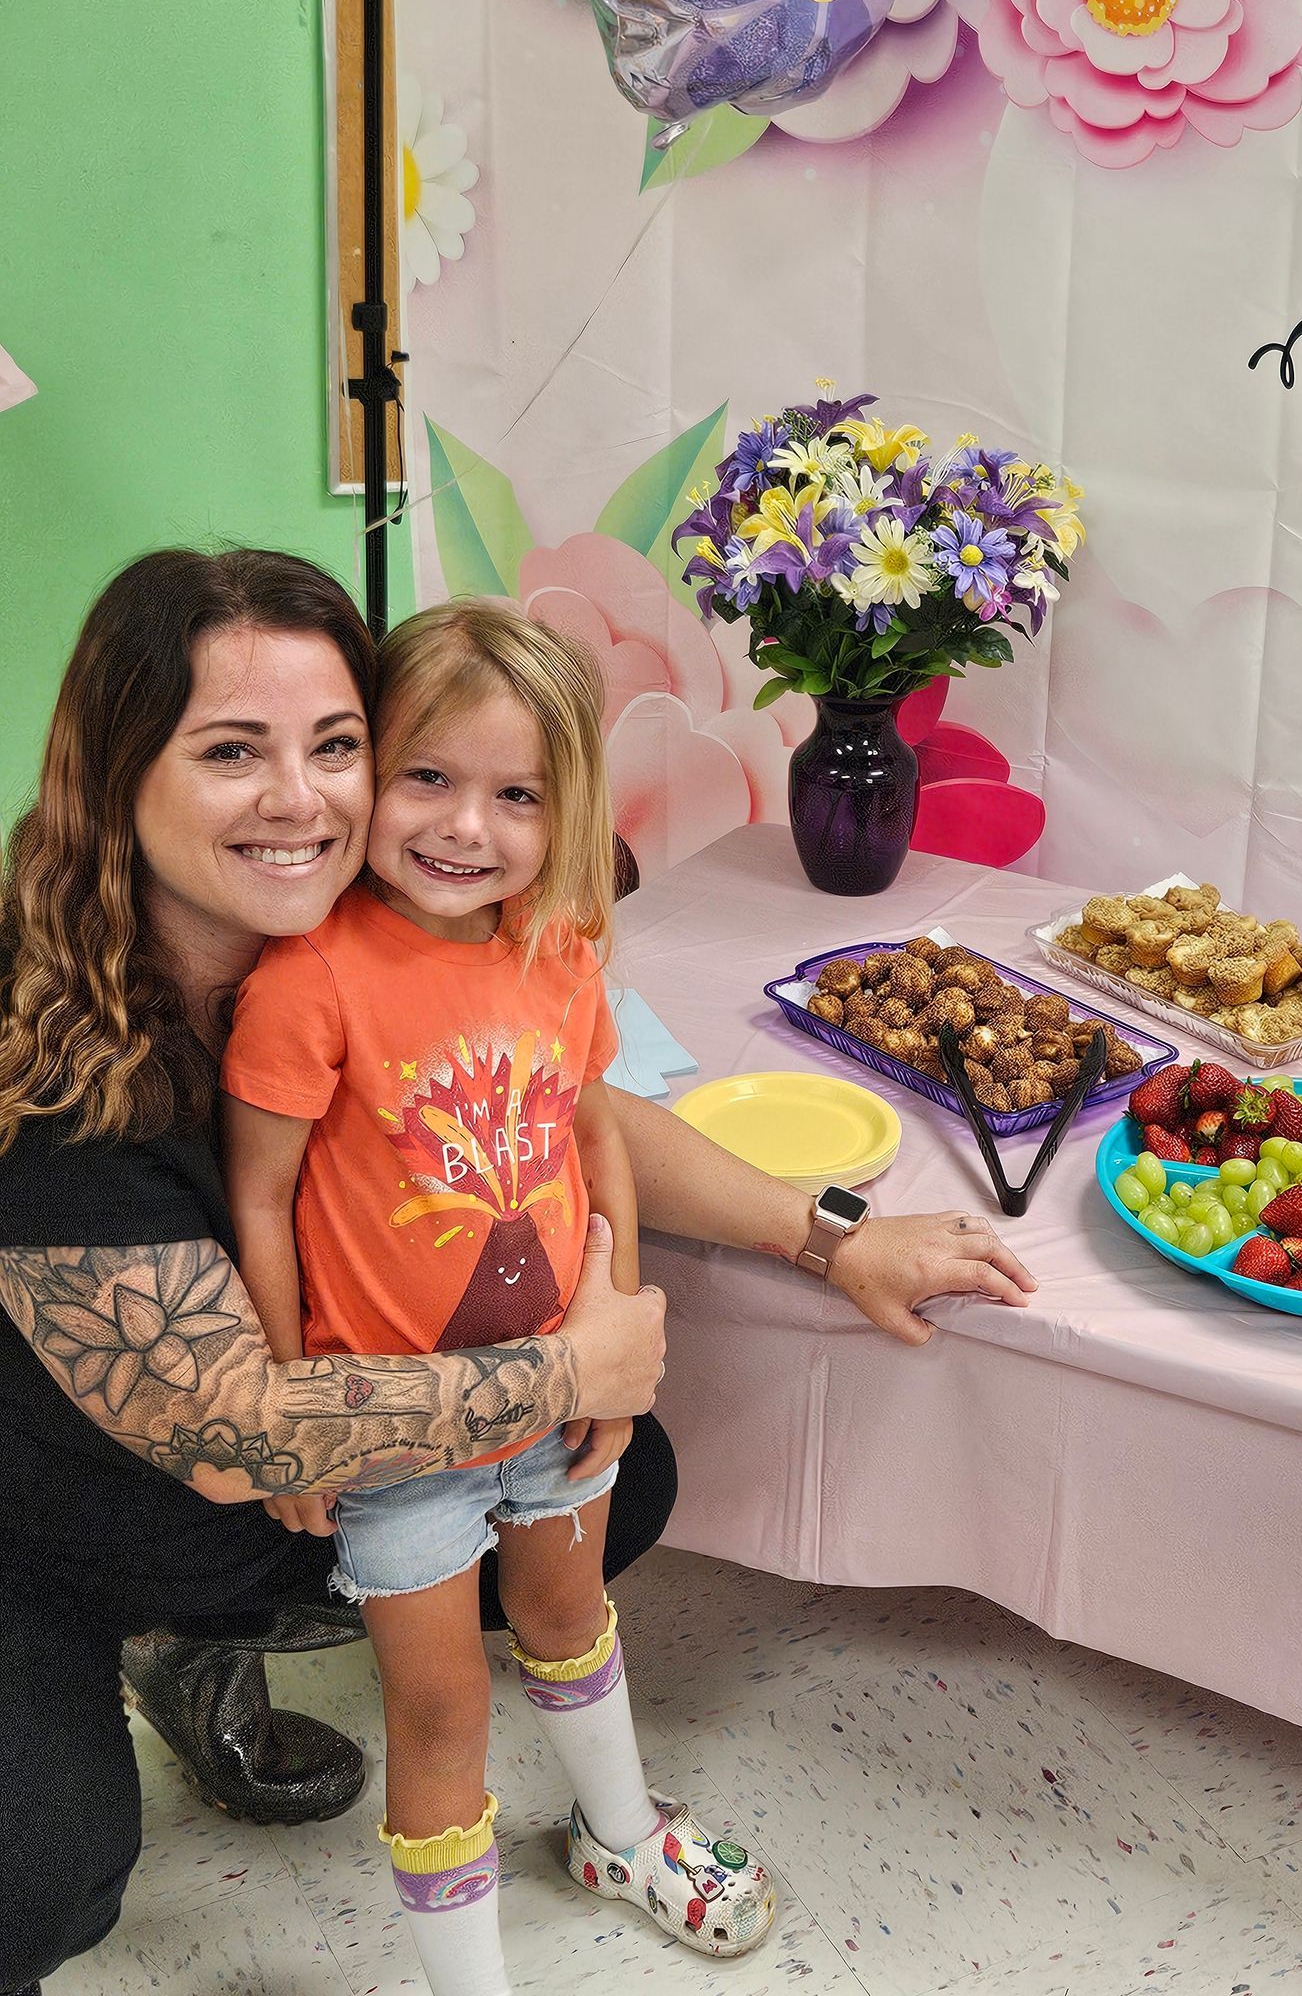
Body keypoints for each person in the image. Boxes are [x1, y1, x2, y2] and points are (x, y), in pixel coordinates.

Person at [0, 546, 1036, 1994]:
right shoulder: (52, 1079)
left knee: (624, 1484)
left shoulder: (372, 931)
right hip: (64, 1514)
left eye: (338, 747)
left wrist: (833, 1232)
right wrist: (568, 1366)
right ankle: (154, 1637)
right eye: (232, 752)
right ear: (118, 773)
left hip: (309, 1446)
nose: (303, 800)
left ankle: (221, 1645)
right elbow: (236, 1437)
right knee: (39, 1886)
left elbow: (555, 1107)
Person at [224, 600, 774, 1984]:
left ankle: (620, 1831)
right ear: (370, 774)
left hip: (558, 1399)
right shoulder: (310, 979)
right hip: (395, 1442)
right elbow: (258, 1200)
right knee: (439, 1711)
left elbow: (599, 1138)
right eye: (430, 777)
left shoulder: (557, 955)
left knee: (571, 1620)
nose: (467, 826)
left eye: (515, 794)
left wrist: (616, 1335)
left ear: (563, 808)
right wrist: (293, 1410)